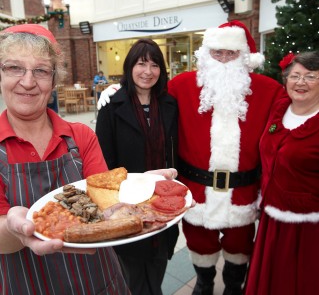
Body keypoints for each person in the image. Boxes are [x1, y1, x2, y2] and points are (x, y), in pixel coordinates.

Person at [97, 20, 287, 294]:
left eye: (230, 54)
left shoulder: (270, 91)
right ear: (206, 55)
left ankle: (234, 285)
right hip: (195, 189)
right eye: (217, 53)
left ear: (244, 56)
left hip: (244, 191)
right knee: (200, 243)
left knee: (240, 245)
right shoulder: (183, 85)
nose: (223, 60)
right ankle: (204, 282)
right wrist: (118, 91)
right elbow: (148, 88)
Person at [0, 24, 177, 295]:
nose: (27, 81)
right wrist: (17, 230)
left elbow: (107, 201)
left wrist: (138, 187)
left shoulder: (80, 136)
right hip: (27, 280)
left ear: (54, 80)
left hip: (98, 279)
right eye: (14, 68)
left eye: (41, 70)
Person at [95, 38, 179, 295]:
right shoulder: (112, 107)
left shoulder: (169, 105)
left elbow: (173, 151)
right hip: (126, 205)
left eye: (155, 65)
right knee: (131, 280)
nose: (148, 71)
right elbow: (104, 165)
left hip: (162, 204)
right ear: (130, 66)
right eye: (141, 63)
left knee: (156, 273)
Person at [244, 51, 319, 295]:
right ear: (285, 80)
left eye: (310, 77)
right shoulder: (279, 108)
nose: (301, 82)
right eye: (295, 76)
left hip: (307, 227)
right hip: (271, 217)